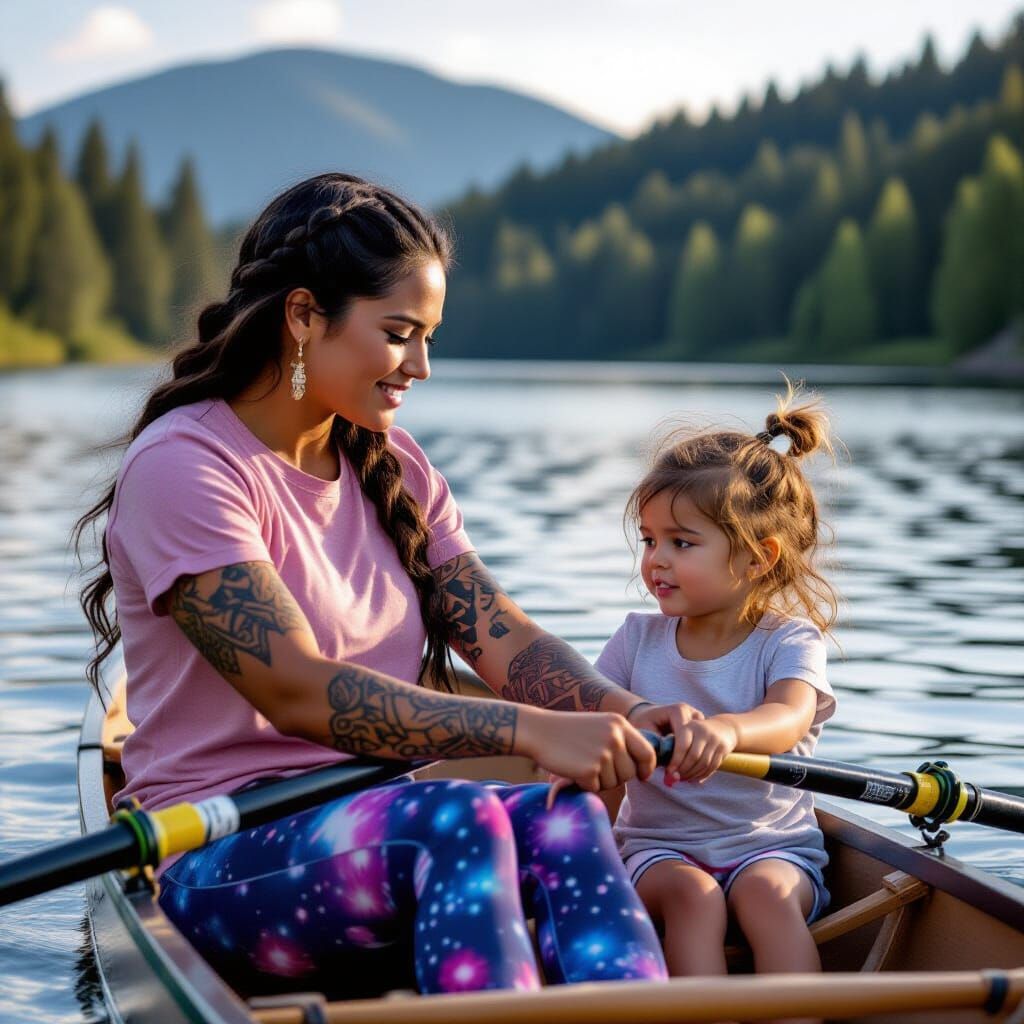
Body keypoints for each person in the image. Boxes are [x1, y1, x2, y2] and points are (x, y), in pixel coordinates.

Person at [73, 173, 667, 996]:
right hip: (216, 858)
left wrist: (622, 710)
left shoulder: (399, 468)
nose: (421, 365)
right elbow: (296, 691)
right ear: (304, 316)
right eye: (399, 333)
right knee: (456, 821)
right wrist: (530, 732)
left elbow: (507, 639)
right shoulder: (186, 466)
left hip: (374, 830)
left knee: (566, 814)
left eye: (429, 338)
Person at [593, 387, 838, 1016]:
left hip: (772, 845)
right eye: (649, 541)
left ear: (758, 558)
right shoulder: (634, 638)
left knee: (765, 896)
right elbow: (590, 713)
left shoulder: (788, 641)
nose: (656, 562)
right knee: (694, 899)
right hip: (656, 848)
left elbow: (789, 718)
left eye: (682, 542)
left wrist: (728, 731)